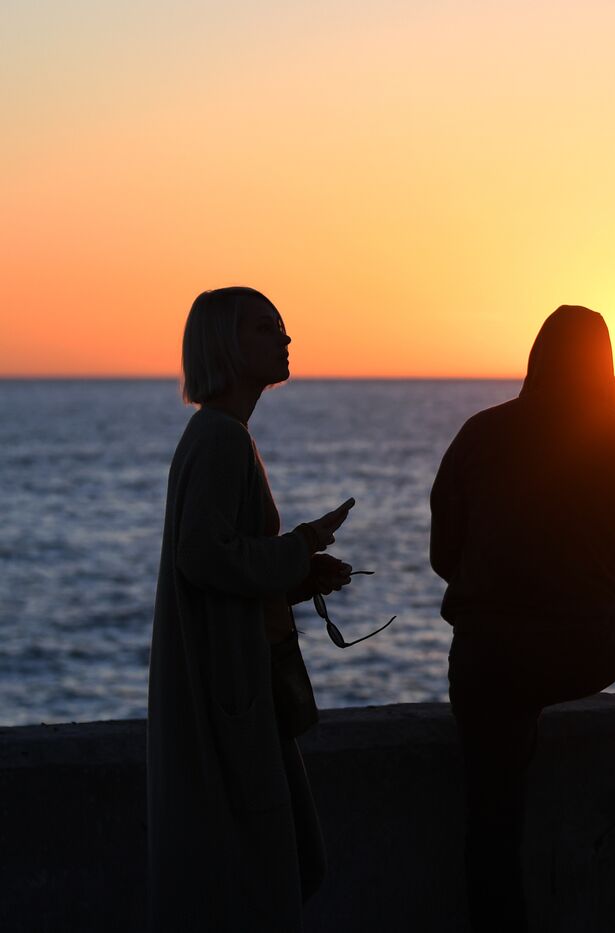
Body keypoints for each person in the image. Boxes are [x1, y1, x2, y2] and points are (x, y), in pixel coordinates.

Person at [431, 305, 615, 931]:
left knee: (491, 825)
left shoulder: (478, 433)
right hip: (578, 648)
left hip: (484, 656)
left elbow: (444, 557)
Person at [147, 286, 358, 931]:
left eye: (282, 327)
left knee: (281, 866)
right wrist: (298, 548)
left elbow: (222, 563)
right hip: (232, 694)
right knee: (266, 880)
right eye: (267, 329)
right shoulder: (220, 439)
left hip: (241, 689)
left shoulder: (219, 434)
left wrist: (297, 573)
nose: (285, 338)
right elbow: (202, 556)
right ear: (227, 348)